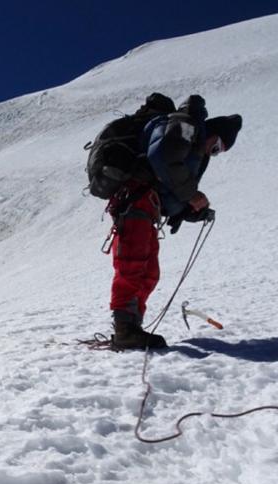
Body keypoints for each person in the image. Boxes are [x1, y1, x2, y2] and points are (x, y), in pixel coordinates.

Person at [107, 95, 242, 350]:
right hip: (136, 200)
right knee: (133, 264)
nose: (213, 153)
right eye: (217, 147)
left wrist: (191, 210)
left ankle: (132, 327)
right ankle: (125, 330)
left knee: (149, 271)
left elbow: (169, 186)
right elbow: (161, 156)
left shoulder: (190, 149)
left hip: (148, 206)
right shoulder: (186, 127)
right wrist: (191, 194)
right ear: (213, 133)